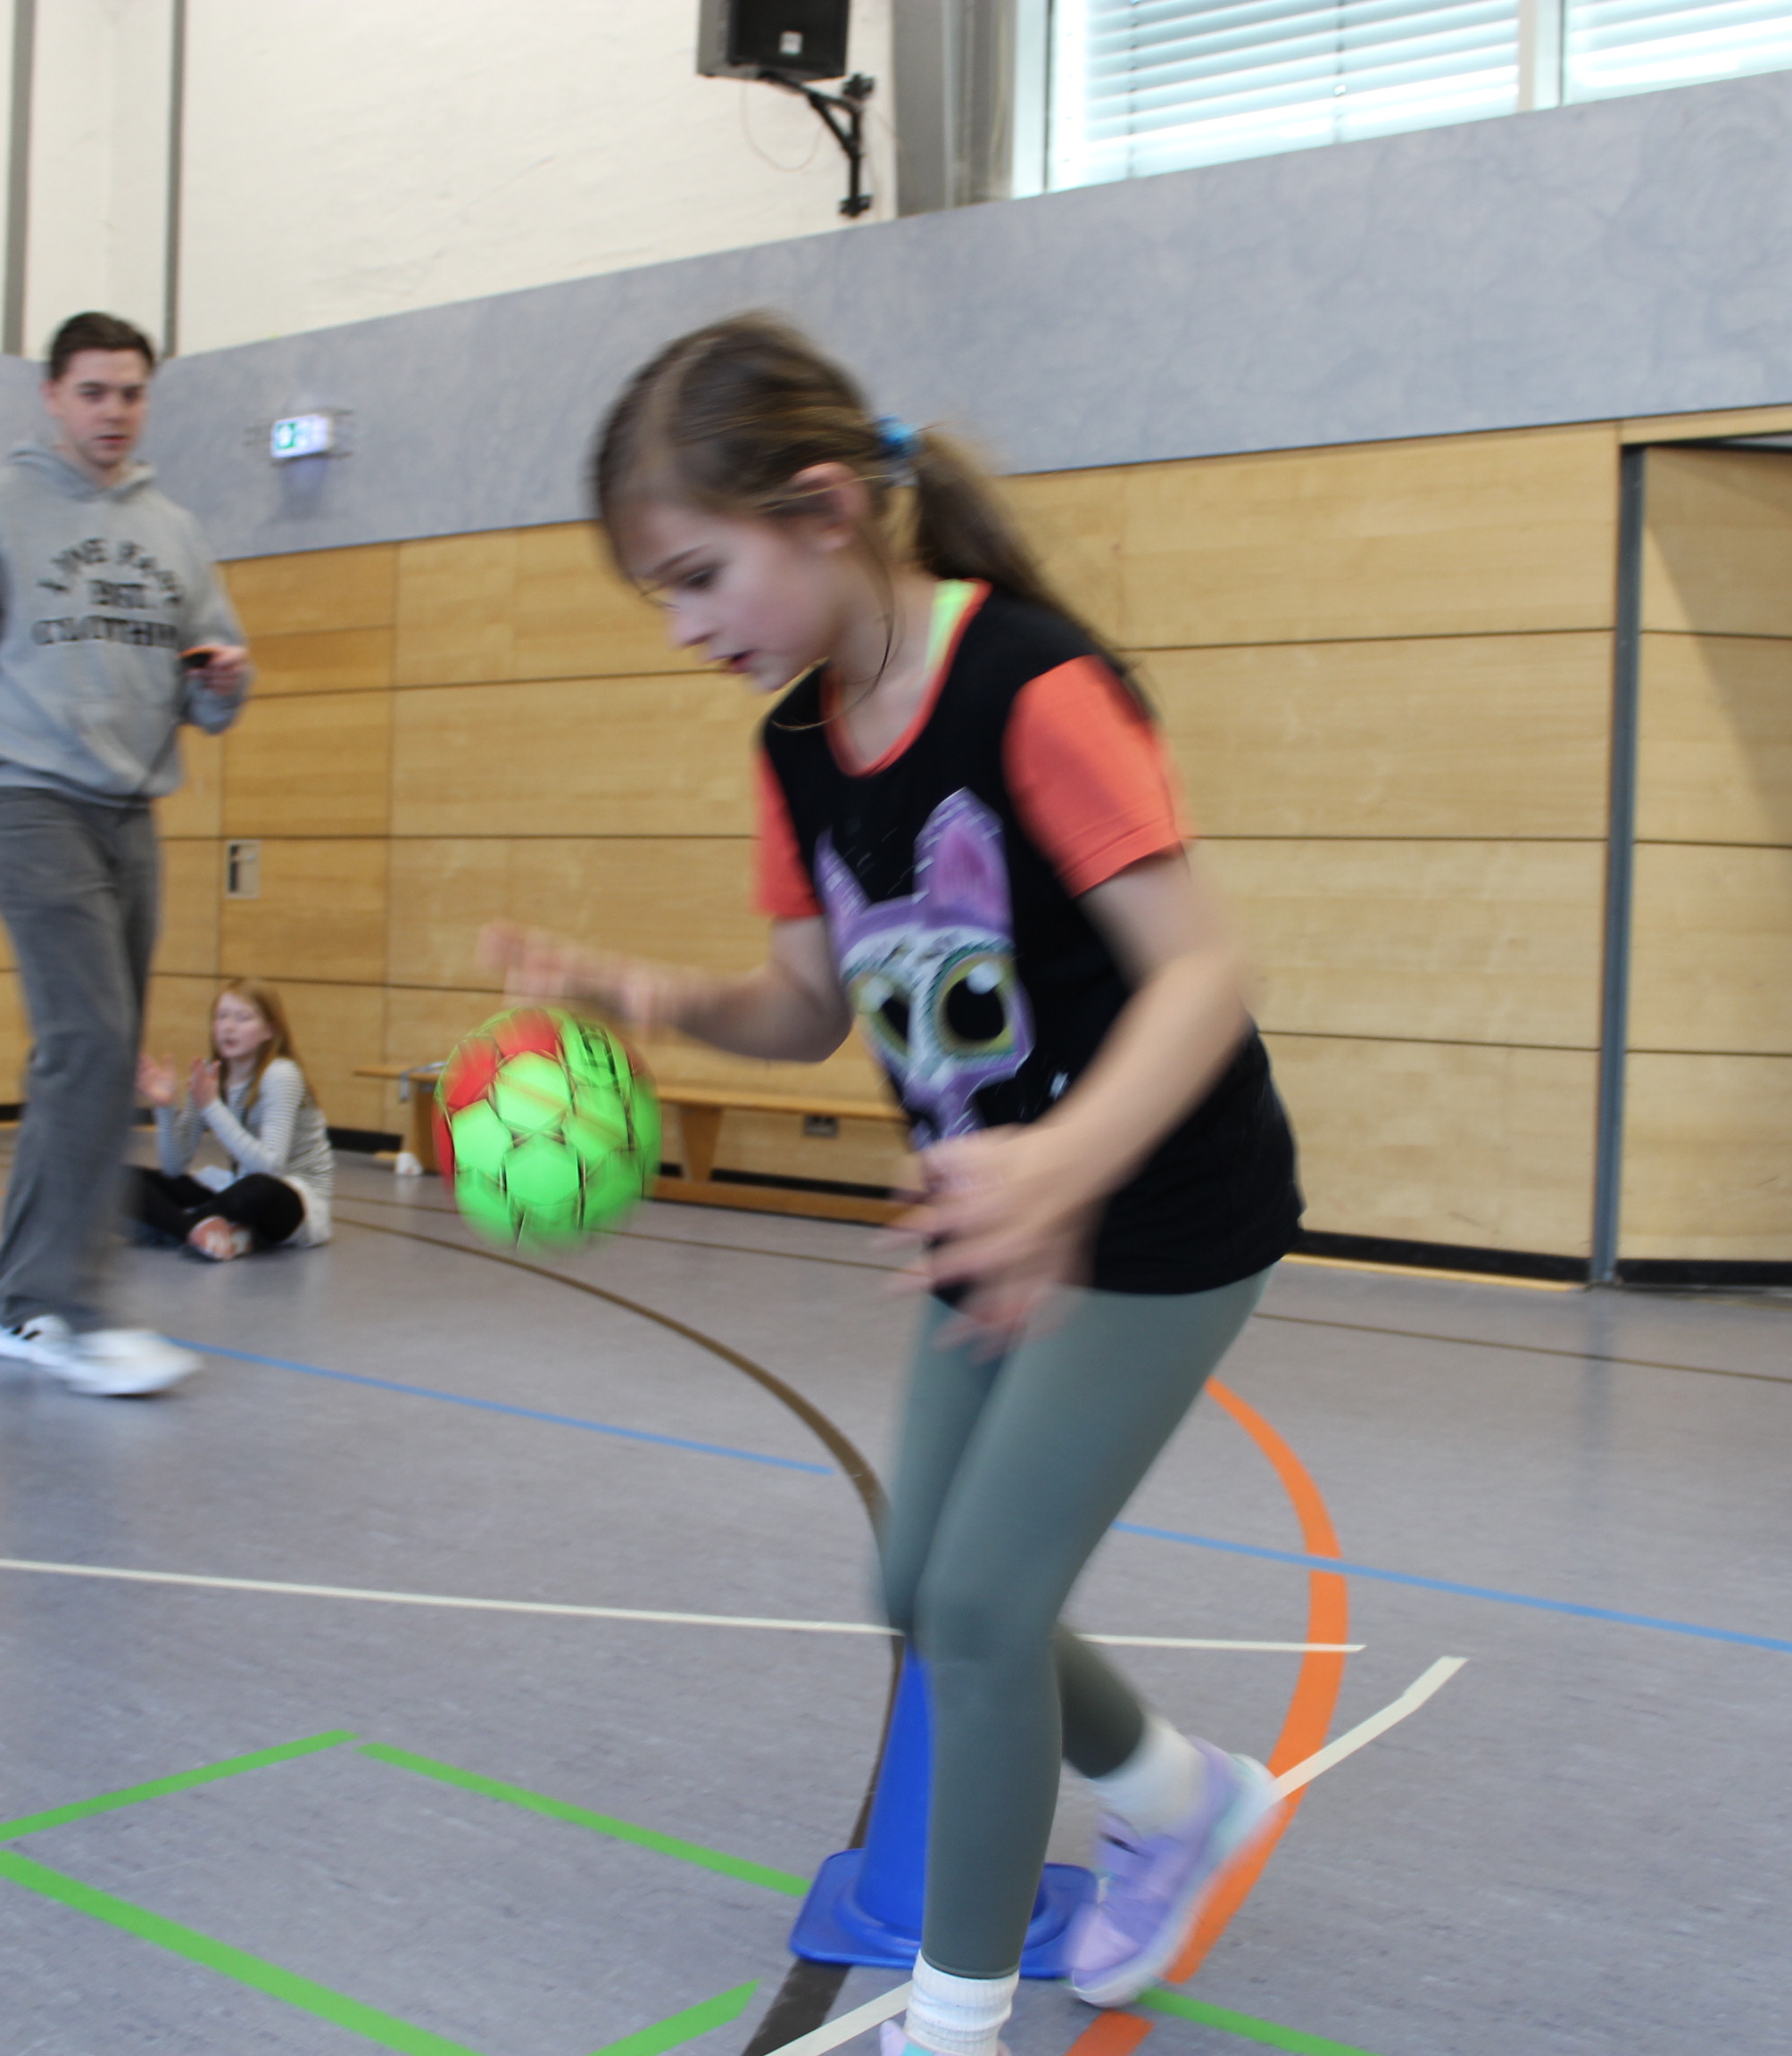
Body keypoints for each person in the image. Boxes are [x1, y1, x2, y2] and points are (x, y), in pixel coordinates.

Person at [485, 316, 1305, 2053]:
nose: (685, 627)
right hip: (994, 1214)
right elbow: (806, 1005)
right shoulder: (795, 747)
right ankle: (1183, 1797)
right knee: (919, 1585)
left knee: (983, 1610)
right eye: (661, 596)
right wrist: (635, 989)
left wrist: (1063, 1162)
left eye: (699, 576)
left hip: (1162, 1203)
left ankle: (952, 2019)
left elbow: (1203, 972)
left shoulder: (1030, 687)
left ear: (826, 507)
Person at [0, 311, 252, 1397]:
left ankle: (22, 1302)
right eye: (93, 391)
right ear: (52, 396)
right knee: (90, 1043)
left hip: (130, 813)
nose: (113, 411)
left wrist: (224, 682)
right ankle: (65, 1310)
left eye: (132, 392)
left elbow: (212, 695)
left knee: (91, 1053)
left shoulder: (175, 531)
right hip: (27, 801)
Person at [128, 979, 334, 1261]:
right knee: (123, 1177)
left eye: (242, 1018)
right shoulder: (210, 1076)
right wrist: (164, 1108)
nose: (228, 1027)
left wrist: (212, 1106)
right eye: (221, 1016)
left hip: (294, 1201)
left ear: (270, 1030)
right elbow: (174, 1167)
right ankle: (198, 1229)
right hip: (235, 1186)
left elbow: (270, 1167)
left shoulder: (281, 1074)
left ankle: (176, 1225)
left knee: (258, 1189)